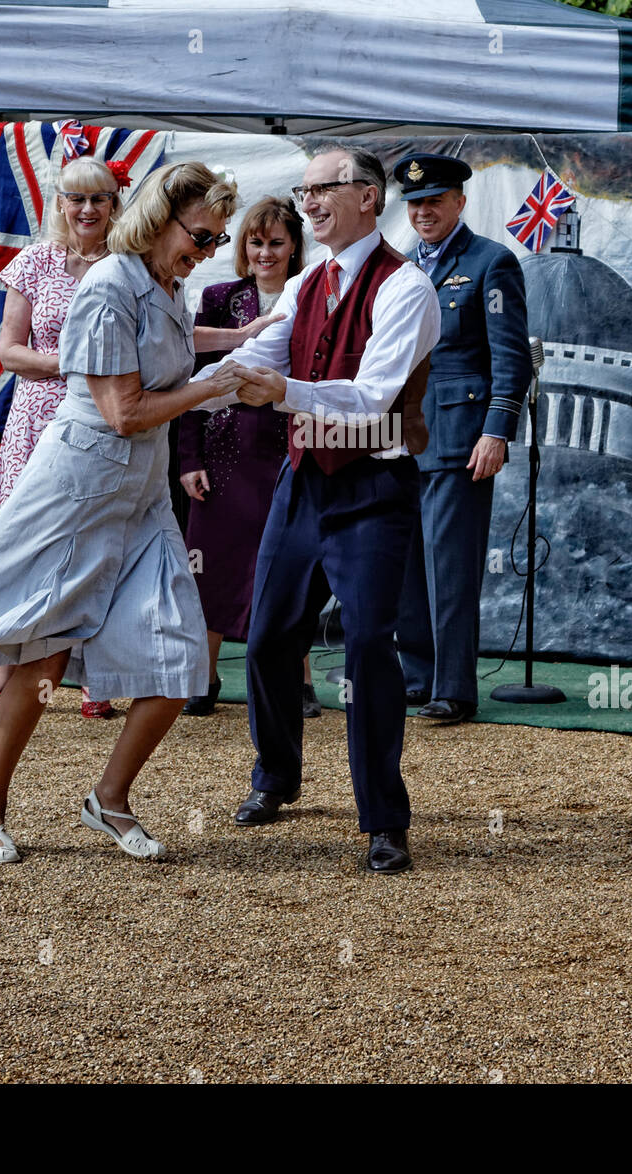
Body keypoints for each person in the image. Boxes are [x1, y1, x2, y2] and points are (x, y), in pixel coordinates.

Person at [0, 162, 244, 865]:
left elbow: (171, 362)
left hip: (142, 493)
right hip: (84, 485)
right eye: (202, 237)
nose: (208, 252)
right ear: (162, 217)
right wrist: (219, 388)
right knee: (42, 655)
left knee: (180, 661)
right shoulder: (110, 284)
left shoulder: (167, 284)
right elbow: (124, 412)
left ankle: (107, 800)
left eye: (217, 241)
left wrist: (244, 341)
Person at [191, 145, 439, 874]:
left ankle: (385, 820)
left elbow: (374, 400)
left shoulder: (406, 289)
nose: (309, 203)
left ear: (367, 195)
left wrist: (286, 394)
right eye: (304, 192)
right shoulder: (305, 284)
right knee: (266, 636)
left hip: (373, 488)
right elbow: (256, 354)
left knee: (366, 647)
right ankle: (276, 775)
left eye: (322, 189)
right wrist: (168, 384)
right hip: (304, 484)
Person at [0, 154, 130, 721]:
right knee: (23, 543)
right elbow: (7, 350)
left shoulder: (129, 263)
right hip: (37, 420)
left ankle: (95, 677)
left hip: (103, 419)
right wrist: (73, 362)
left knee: (93, 541)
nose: (88, 209)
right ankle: (2, 671)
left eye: (99, 198)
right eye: (77, 198)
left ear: (115, 204)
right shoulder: (35, 261)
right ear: (60, 204)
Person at [393, 153, 532, 724]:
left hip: (458, 437)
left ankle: (453, 689)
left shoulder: (490, 263)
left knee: (449, 569)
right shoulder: (399, 268)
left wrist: (497, 431)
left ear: (459, 202)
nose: (424, 211)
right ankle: (418, 677)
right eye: (416, 203)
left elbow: (511, 356)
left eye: (435, 200)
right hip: (399, 437)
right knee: (405, 569)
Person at [177, 196, 319, 719]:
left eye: (276, 242)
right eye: (256, 242)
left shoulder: (315, 295)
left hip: (290, 447)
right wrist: (188, 459)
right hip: (222, 451)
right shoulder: (217, 297)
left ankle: (298, 680)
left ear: (294, 246)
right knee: (209, 566)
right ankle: (203, 675)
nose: (265, 252)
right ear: (242, 247)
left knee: (289, 567)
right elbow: (190, 384)